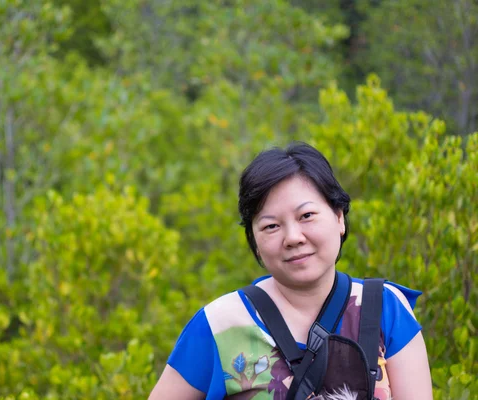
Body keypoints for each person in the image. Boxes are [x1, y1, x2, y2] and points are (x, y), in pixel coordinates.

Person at [149, 143, 432, 400]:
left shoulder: (384, 308)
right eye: (271, 226)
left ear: (339, 217)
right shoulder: (219, 325)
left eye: (306, 216)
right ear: (255, 243)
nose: (293, 237)